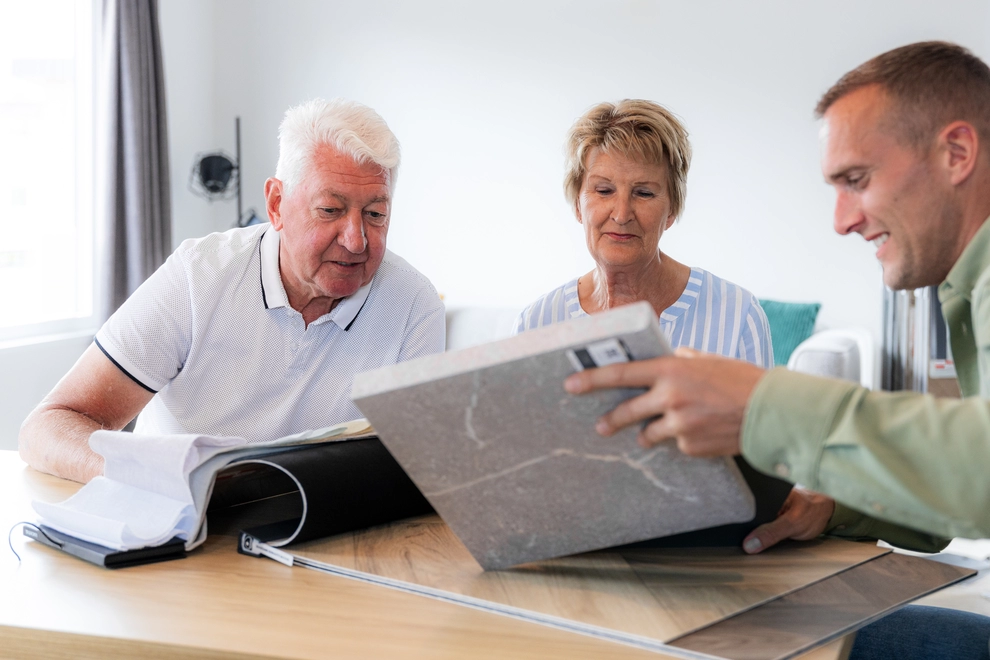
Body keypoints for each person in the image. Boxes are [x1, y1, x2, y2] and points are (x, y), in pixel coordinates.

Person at [565, 42, 990, 659]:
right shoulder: (963, 288)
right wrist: (830, 501)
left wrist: (763, 403)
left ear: (957, 153)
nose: (841, 221)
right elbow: (949, 499)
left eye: (857, 180)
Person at [518, 99, 937, 556]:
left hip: (704, 548)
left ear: (671, 208)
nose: (621, 212)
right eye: (602, 190)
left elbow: (764, 467)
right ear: (578, 202)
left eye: (643, 193)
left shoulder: (735, 311)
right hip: (572, 545)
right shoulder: (539, 320)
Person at [19, 98, 445, 484]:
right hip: (180, 531)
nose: (356, 240)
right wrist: (153, 480)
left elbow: (421, 469)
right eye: (330, 210)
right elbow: (50, 425)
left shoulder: (413, 306)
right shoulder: (197, 279)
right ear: (277, 204)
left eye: (375, 214)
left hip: (323, 541)